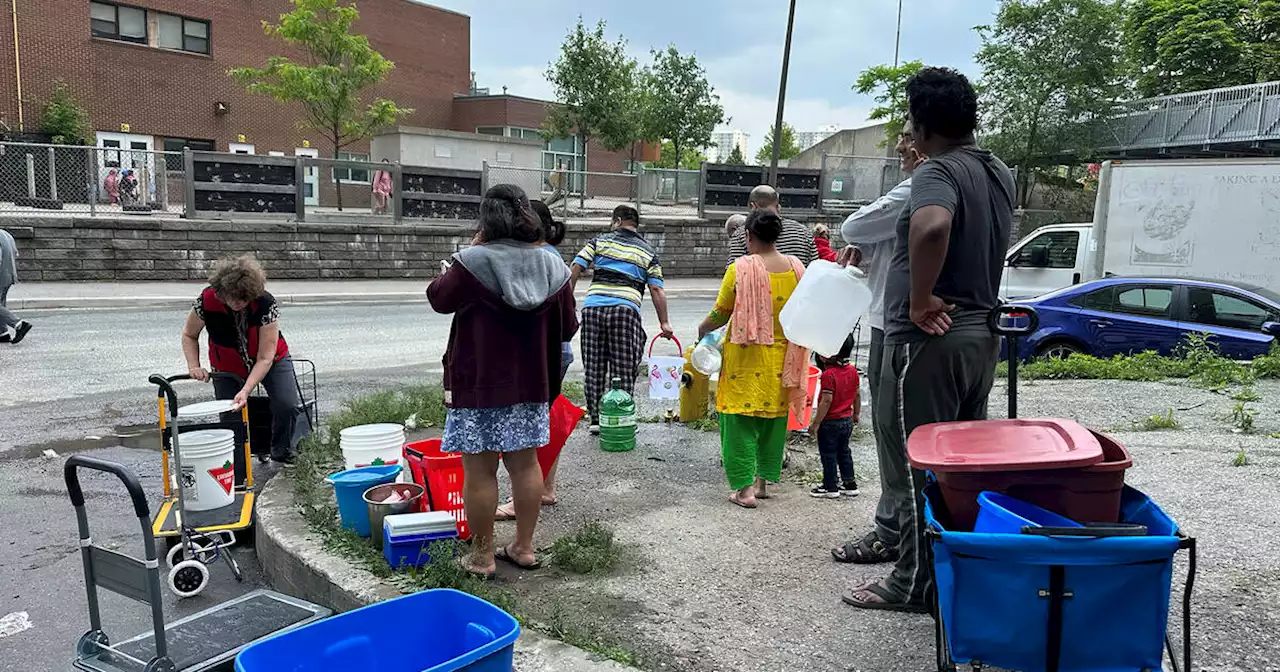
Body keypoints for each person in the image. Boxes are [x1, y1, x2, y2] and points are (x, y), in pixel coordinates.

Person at [841, 66, 1014, 614]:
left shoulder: (936, 173)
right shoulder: (997, 170)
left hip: (929, 341)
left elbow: (932, 225)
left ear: (921, 124)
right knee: (959, 464)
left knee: (919, 460)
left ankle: (914, 582)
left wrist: (918, 300)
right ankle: (944, 567)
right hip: (980, 334)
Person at [428, 184, 579, 578]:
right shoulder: (553, 266)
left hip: (477, 384)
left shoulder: (471, 262)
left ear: (487, 218)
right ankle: (523, 548)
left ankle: (482, 557)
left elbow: (439, 299)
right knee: (525, 465)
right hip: (532, 385)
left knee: (479, 471)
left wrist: (464, 253)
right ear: (526, 215)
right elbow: (568, 326)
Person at [831, 130, 927, 565]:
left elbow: (856, 224)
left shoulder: (924, 184)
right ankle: (908, 532)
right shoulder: (974, 177)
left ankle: (897, 536)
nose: (900, 146)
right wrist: (867, 249)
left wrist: (861, 236)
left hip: (899, 325)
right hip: (895, 318)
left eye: (907, 136)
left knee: (894, 433)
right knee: (899, 433)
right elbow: (881, 239)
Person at [697, 210, 810, 508]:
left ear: (748, 235)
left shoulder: (741, 268)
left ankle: (744, 492)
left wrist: (702, 328)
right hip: (784, 359)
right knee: (772, 421)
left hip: (746, 360)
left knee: (739, 421)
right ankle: (761, 484)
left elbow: (721, 312)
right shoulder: (797, 268)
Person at [182, 254, 310, 463]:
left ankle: (280, 449)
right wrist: (194, 365)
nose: (236, 302)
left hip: (271, 360)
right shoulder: (206, 300)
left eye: (242, 298)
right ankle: (237, 465)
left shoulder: (265, 303)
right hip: (227, 364)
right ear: (221, 292)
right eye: (231, 297)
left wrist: (246, 389)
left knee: (287, 404)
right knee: (230, 414)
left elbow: (265, 358)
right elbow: (189, 334)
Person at [494, 199, 571, 521]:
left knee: (525, 435)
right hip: (556, 351)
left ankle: (525, 497)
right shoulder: (551, 256)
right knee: (544, 423)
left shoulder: (538, 258)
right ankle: (546, 488)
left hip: (540, 354)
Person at [570, 205, 674, 434]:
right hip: (624, 311)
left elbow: (576, 267)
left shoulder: (599, 242)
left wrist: (569, 300)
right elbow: (657, 291)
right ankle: (621, 418)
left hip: (593, 309)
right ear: (635, 225)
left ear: (617, 221)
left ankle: (596, 420)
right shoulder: (648, 252)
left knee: (594, 365)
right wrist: (664, 323)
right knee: (623, 367)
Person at [806, 333, 859, 498]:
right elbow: (857, 394)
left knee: (828, 455)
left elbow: (826, 401)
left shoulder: (829, 375)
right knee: (844, 452)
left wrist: (815, 423)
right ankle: (850, 484)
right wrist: (856, 414)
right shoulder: (852, 370)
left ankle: (830, 487)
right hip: (846, 420)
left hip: (830, 423)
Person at [725, 185, 817, 267]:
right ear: (778, 207)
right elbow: (814, 271)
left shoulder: (743, 233)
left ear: (753, 206)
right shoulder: (804, 233)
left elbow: (733, 275)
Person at [0, 228, 32, 344]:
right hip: (9, 274)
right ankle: (2, 333)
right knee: (1, 304)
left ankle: (19, 324)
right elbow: (15, 253)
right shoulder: (5, 234)